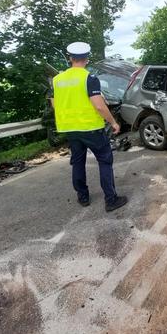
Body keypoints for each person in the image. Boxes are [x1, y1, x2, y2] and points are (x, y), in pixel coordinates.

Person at [52, 42, 128, 212]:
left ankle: (83, 197)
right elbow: (99, 106)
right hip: (91, 128)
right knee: (105, 161)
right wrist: (113, 122)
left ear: (70, 58)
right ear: (86, 59)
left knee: (78, 162)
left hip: (69, 129)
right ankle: (111, 199)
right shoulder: (89, 79)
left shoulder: (57, 80)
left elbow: (56, 105)